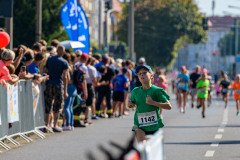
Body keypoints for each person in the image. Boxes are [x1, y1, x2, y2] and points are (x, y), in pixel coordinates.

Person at [129, 65, 172, 143]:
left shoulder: (157, 90)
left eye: (144, 73)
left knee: (151, 148)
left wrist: (153, 103)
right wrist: (130, 104)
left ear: (151, 76)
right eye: (139, 74)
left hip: (153, 125)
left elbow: (168, 106)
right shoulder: (135, 91)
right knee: (142, 145)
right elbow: (132, 103)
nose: (142, 75)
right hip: (139, 125)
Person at [44, 45, 69, 132]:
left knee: (48, 104)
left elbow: (45, 70)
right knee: (58, 105)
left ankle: (47, 125)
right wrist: (65, 91)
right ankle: (55, 125)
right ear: (64, 52)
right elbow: (65, 77)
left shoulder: (50, 59)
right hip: (58, 84)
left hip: (49, 83)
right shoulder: (64, 62)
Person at [62, 53, 77, 131]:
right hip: (74, 87)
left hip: (69, 87)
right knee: (70, 107)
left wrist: (65, 89)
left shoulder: (66, 67)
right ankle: (71, 124)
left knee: (66, 107)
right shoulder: (72, 66)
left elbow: (66, 78)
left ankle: (67, 124)